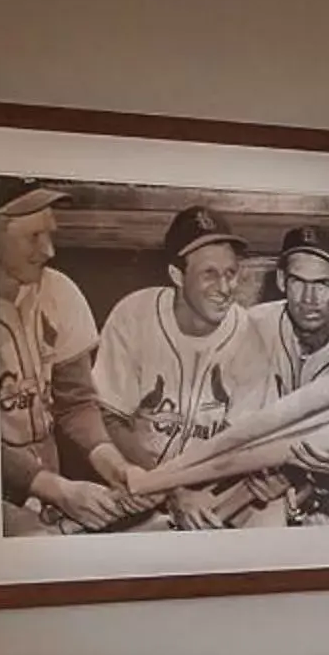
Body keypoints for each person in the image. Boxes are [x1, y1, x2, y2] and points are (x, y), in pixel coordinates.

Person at [93, 204, 271, 524]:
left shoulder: (248, 336)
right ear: (177, 275)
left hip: (212, 487)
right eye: (209, 274)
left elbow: (237, 441)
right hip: (135, 477)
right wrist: (168, 488)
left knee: (267, 516)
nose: (226, 288)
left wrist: (198, 495)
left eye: (231, 273)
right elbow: (110, 416)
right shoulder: (133, 316)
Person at [0, 184, 135, 534]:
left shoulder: (58, 291)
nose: (49, 250)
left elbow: (75, 403)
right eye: (34, 237)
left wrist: (115, 465)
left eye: (50, 233)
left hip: (48, 482)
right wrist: (57, 490)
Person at [245, 225, 329, 399]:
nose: (309, 298)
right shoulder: (253, 326)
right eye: (298, 282)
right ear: (281, 281)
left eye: (322, 284)